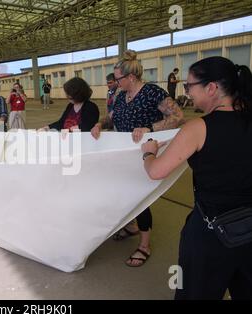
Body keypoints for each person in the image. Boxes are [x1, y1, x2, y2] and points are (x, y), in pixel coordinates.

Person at [141, 57, 252, 299]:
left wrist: (148, 153)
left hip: (211, 233)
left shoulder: (198, 127)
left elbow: (156, 171)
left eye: (189, 86)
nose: (187, 92)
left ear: (211, 87)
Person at [91, 50, 184, 267]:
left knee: (140, 198)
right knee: (124, 193)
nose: (115, 82)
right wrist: (100, 124)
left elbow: (178, 116)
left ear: (131, 77)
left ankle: (144, 245)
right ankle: (132, 227)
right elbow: (112, 118)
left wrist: (150, 127)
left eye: (118, 79)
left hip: (144, 154)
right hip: (124, 155)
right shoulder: (121, 96)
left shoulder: (152, 92)